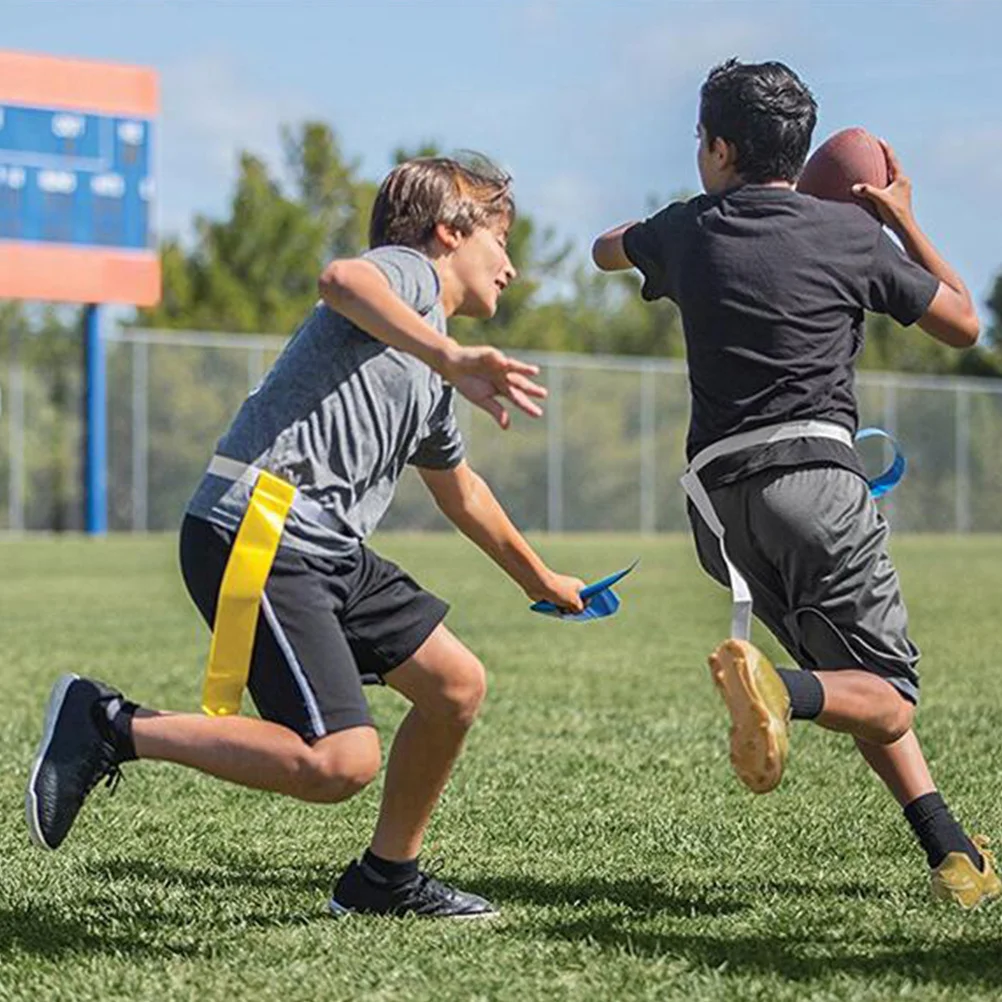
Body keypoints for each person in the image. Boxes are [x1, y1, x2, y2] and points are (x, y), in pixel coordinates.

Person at [26, 153, 585, 919]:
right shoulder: (411, 278)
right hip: (261, 528)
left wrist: (541, 580)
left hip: (326, 548)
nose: (513, 267)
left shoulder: (429, 363)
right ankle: (110, 722)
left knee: (455, 686)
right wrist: (451, 355)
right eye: (502, 240)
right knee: (338, 763)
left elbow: (462, 491)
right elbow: (340, 281)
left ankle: (385, 879)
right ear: (450, 231)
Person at [592, 59, 998, 909]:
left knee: (848, 675)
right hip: (816, 489)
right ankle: (781, 686)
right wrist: (903, 223)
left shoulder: (688, 225)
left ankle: (952, 852)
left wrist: (663, 230)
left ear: (719, 147)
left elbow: (602, 251)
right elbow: (963, 323)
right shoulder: (853, 237)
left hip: (719, 511)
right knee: (884, 695)